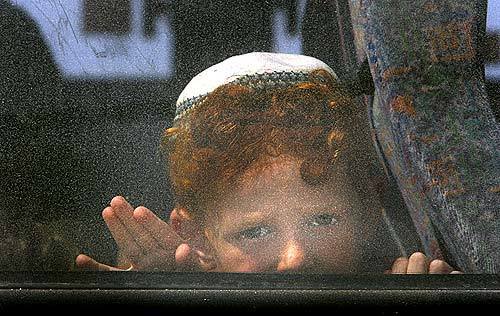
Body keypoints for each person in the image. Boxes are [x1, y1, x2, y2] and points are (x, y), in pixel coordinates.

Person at [76, 52, 461, 274]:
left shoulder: (408, 291)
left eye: (321, 220)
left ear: (369, 209)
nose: (295, 259)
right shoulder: (184, 285)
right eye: (255, 232)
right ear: (195, 236)